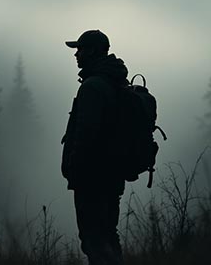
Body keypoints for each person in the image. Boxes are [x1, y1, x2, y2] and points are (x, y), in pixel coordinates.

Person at [61, 29, 128, 265]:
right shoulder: (115, 81)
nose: (76, 54)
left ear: (92, 51)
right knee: (108, 234)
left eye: (80, 49)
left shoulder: (92, 87)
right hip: (112, 174)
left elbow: (86, 134)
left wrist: (74, 168)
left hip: (93, 177)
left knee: (93, 239)